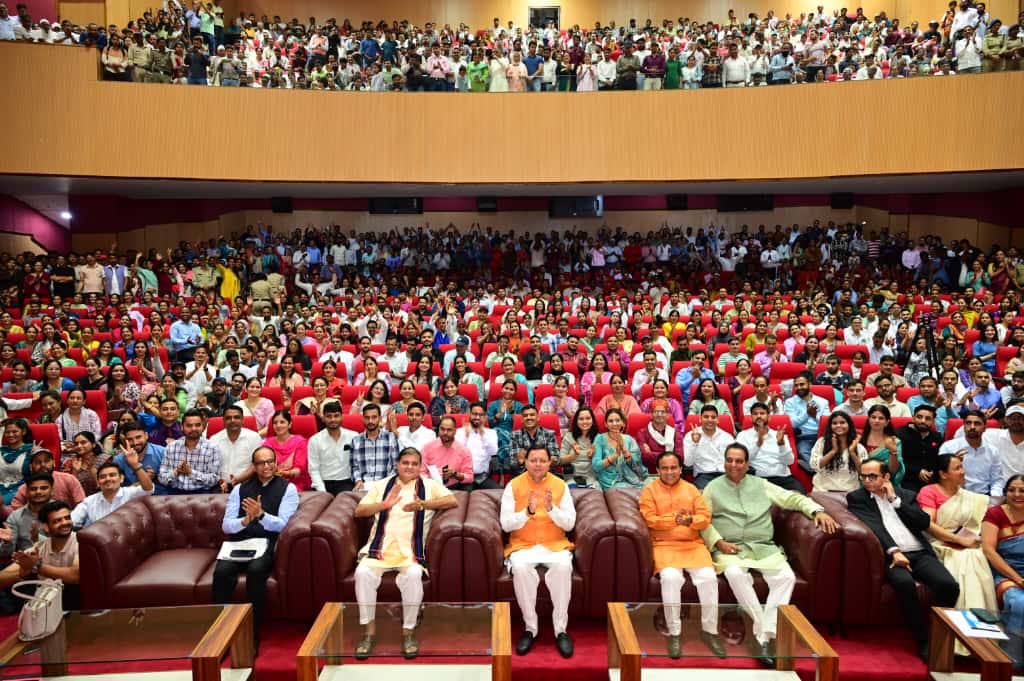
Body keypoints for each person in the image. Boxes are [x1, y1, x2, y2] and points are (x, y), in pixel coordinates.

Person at [702, 443, 837, 662]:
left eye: (739, 461)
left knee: (786, 577)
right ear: (724, 462)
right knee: (735, 573)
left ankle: (762, 635)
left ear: (747, 464)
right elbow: (702, 520)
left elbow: (792, 498)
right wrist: (718, 542)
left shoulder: (761, 484)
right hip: (730, 548)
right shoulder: (712, 488)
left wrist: (817, 511)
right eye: (729, 460)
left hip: (763, 547)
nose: (733, 465)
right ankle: (763, 633)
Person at [847, 459, 960, 660]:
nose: (867, 481)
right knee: (904, 583)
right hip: (890, 555)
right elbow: (875, 527)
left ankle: (938, 635)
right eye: (863, 476)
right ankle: (923, 638)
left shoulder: (906, 495)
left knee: (949, 585)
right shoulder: (857, 498)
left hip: (919, 552)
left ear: (886, 477)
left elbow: (923, 522)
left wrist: (895, 500)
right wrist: (894, 551)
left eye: (872, 476)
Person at [354, 446, 457, 659]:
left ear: (420, 467)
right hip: (380, 548)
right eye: (405, 463)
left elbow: (452, 500)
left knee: (413, 575)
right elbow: (359, 511)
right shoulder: (382, 485)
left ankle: (408, 632)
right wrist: (384, 504)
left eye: (414, 464)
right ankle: (368, 632)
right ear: (397, 464)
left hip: (410, 551)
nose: (409, 467)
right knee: (362, 574)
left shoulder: (429, 486)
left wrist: (424, 504)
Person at [213, 445, 299, 649]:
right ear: (254, 466)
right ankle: (221, 632)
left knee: (256, 571)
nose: (266, 466)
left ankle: (251, 636)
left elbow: (283, 524)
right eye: (261, 463)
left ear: (276, 463)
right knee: (221, 573)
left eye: (270, 461)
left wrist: (261, 515)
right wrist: (245, 521)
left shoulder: (288, 489)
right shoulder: (240, 489)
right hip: (239, 542)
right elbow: (226, 525)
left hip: (266, 542)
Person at [640, 451, 724, 658]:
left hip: (693, 545)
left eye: (673, 468)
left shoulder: (691, 489)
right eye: (665, 468)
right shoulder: (649, 490)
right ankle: (674, 632)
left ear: (680, 469)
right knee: (670, 578)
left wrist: (690, 521)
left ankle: (710, 631)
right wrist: (675, 519)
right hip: (664, 545)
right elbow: (650, 519)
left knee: (708, 578)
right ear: (657, 470)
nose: (669, 472)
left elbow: (704, 518)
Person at [501, 446, 576, 658]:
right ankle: (530, 628)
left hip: (554, 544)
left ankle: (560, 630)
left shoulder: (560, 485)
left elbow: (569, 524)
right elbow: (506, 524)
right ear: (525, 462)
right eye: (533, 460)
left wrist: (552, 509)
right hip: (523, 545)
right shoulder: (513, 486)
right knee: (520, 568)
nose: (538, 465)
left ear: (550, 463)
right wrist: (527, 512)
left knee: (563, 566)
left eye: (542, 460)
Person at [917, 454, 997, 625]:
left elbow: (975, 524)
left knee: (976, 555)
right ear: (943, 474)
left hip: (966, 542)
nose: (963, 471)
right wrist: (958, 540)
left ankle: (982, 627)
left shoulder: (968, 496)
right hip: (938, 543)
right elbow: (928, 525)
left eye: (962, 467)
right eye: (957, 468)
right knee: (966, 558)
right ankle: (961, 626)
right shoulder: (929, 491)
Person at [0, 500, 80, 610]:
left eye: (67, 518)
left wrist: (37, 566)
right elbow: (4, 577)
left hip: (75, 601)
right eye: (57, 521)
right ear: (46, 527)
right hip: (46, 604)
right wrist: (23, 571)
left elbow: (75, 576)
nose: (65, 523)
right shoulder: (40, 547)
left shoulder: (81, 542)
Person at [982, 474, 1024, 667]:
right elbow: (989, 551)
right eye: (1011, 490)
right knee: (1021, 603)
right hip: (1004, 572)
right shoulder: (995, 514)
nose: (1017, 494)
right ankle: (1011, 661)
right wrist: (1018, 579)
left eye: (1022, 491)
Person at [71, 454, 153, 529]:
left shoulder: (131, 493)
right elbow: (72, 521)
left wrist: (136, 466)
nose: (107, 479)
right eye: (103, 477)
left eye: (112, 475)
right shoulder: (89, 501)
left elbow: (148, 489)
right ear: (98, 482)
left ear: (121, 478)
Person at [736, 402, 803, 492]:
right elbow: (741, 460)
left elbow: (790, 461)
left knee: (800, 496)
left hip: (783, 479)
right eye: (755, 414)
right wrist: (758, 444)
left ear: (769, 417)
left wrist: (781, 445)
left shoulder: (780, 435)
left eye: (762, 413)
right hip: (758, 479)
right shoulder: (743, 436)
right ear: (751, 417)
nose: (759, 416)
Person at [939, 410, 1004, 498]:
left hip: (984, 496)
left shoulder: (993, 451)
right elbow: (941, 476)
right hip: (955, 495)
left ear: (985, 428)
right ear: (964, 426)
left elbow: (997, 480)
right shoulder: (948, 447)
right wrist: (952, 464)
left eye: (977, 423)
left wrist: (994, 498)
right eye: (968, 423)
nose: (972, 427)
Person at [158, 409, 222, 494]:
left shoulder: (212, 448)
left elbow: (214, 479)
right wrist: (176, 472)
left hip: (202, 493)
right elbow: (161, 477)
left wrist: (191, 473)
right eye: (189, 425)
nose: (193, 429)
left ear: (203, 426)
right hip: (174, 492)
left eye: (197, 425)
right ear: (182, 427)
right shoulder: (171, 447)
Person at [307, 401, 358, 493]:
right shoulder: (315, 440)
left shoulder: (353, 436)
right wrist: (322, 491)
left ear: (342, 417)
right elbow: (314, 470)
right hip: (323, 483)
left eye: (336, 416)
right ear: (323, 418)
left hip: (346, 482)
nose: (333, 419)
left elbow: (357, 464)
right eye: (329, 416)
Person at [8, 449, 85, 510]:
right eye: (37, 462)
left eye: (47, 461)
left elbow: (82, 506)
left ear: (54, 463)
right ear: (30, 467)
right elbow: (15, 511)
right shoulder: (25, 488)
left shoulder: (69, 479)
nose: (43, 465)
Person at [209, 404, 262, 490]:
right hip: (220, 485)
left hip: (247, 484)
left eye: (236, 417)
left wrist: (238, 480)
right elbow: (211, 466)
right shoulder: (214, 439)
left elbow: (255, 465)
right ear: (223, 421)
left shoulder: (254, 437)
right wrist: (221, 481)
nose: (232, 420)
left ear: (242, 420)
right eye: (228, 418)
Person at [784, 373, 829, 472]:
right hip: (803, 437)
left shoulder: (823, 402)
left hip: (822, 436)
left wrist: (814, 416)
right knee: (803, 451)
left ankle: (811, 468)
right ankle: (818, 471)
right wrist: (807, 414)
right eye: (796, 385)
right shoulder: (790, 402)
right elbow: (792, 424)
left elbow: (826, 423)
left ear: (809, 384)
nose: (799, 387)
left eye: (802, 384)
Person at [593, 408, 646, 490]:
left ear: (622, 423)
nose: (614, 424)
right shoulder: (599, 439)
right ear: (605, 424)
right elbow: (596, 466)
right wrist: (615, 455)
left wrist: (625, 451)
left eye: (617, 420)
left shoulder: (629, 440)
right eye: (610, 421)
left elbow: (638, 466)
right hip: (609, 481)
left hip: (630, 479)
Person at [899, 404, 946, 494]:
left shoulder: (937, 437)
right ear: (913, 418)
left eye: (928, 418)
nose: (923, 421)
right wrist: (917, 471)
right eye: (919, 417)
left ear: (933, 421)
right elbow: (898, 461)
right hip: (907, 478)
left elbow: (940, 459)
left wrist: (933, 472)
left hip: (932, 479)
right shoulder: (900, 434)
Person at [351, 403, 400, 487]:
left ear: (380, 418)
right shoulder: (356, 441)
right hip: (364, 485)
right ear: (363, 419)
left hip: (385, 485)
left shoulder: (391, 438)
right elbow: (354, 467)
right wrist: (358, 481)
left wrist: (388, 483)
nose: (370, 421)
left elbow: (396, 466)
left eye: (374, 417)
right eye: (367, 418)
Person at [683, 405, 732, 489]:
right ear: (700, 419)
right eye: (706, 417)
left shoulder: (727, 437)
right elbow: (687, 463)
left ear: (717, 420)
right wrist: (695, 443)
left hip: (725, 475)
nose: (710, 420)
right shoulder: (691, 436)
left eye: (713, 417)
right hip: (704, 475)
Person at [261, 410, 311, 491]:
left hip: (295, 484)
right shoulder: (267, 443)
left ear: (290, 424)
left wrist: (288, 474)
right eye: (275, 423)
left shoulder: (300, 442)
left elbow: (299, 470)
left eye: (282, 422)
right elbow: (263, 466)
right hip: (271, 482)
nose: (278, 425)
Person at [454, 402, 500, 490]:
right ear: (470, 415)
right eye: (474, 414)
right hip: (464, 476)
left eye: (480, 415)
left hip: (482, 477)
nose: (477, 417)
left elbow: (493, 452)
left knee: (497, 491)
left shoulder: (491, 433)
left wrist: (483, 434)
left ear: (485, 417)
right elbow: (456, 452)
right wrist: (466, 436)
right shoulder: (460, 432)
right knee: (465, 492)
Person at [420, 416, 473, 491]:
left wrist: (455, 474)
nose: (445, 432)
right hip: (431, 486)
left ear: (455, 431)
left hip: (454, 487)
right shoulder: (427, 447)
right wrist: (430, 482)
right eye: (442, 429)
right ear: (438, 429)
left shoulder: (464, 451)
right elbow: (422, 472)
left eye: (449, 430)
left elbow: (469, 477)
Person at [635, 398, 683, 472]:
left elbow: (680, 457)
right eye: (656, 412)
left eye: (662, 412)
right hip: (649, 472)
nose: (659, 415)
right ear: (651, 415)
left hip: (671, 471)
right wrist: (671, 454)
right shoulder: (642, 433)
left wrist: (651, 453)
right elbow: (644, 456)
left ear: (667, 415)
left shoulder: (675, 433)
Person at [509, 405, 558, 476]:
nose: (529, 417)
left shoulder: (549, 434)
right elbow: (513, 463)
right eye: (525, 416)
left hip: (546, 474)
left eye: (532, 415)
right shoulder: (514, 435)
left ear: (538, 418)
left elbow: (556, 458)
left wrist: (526, 459)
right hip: (523, 474)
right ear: (522, 419)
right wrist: (520, 462)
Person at [559, 406, 599, 489]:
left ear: (592, 420)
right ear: (576, 421)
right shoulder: (569, 436)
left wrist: (593, 457)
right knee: (572, 494)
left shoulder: (599, 438)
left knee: (595, 495)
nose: (585, 421)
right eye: (581, 419)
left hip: (593, 478)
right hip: (572, 477)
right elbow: (560, 461)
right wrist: (574, 455)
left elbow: (603, 464)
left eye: (588, 418)